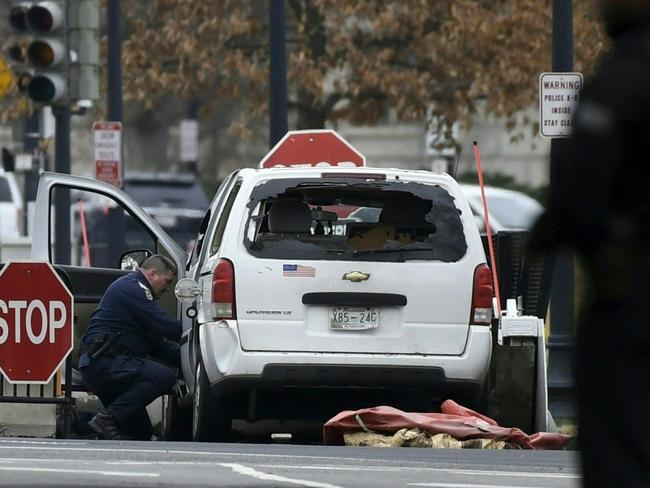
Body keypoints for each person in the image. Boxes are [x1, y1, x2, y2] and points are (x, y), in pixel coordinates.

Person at [528, 1, 650, 485]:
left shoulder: (627, 75)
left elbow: (579, 186)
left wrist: (555, 229)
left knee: (619, 448)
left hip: (633, 298)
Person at [79, 255, 182, 440]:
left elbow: (157, 345)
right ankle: (105, 419)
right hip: (105, 364)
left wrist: (191, 356)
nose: (167, 288)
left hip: (110, 365)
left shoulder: (135, 290)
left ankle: (87, 426)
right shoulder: (134, 288)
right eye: (167, 281)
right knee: (164, 377)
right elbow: (166, 327)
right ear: (152, 274)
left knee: (141, 433)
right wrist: (197, 332)